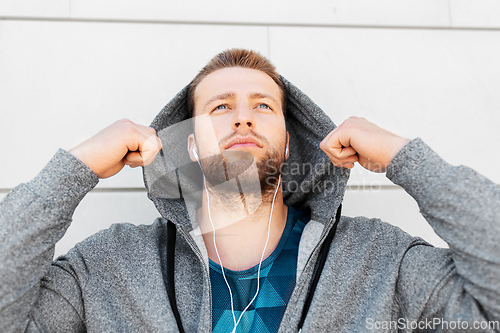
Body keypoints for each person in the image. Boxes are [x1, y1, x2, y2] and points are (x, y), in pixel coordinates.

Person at [0, 48, 499, 333]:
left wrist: (403, 156)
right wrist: (77, 168)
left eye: (263, 106)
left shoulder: (378, 261)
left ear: (288, 138)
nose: (242, 115)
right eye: (220, 107)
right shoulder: (108, 268)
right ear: (190, 145)